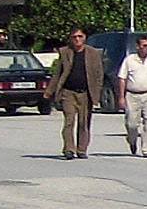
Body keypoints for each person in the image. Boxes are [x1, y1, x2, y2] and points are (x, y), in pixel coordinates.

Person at [45, 27, 106, 160]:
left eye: (80, 36)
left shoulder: (93, 53)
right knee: (69, 121)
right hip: (68, 92)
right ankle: (69, 149)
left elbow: (99, 74)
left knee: (84, 122)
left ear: (85, 38)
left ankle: (82, 149)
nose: (77, 40)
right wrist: (50, 91)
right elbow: (58, 73)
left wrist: (97, 91)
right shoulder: (65, 52)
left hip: (85, 93)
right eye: (74, 37)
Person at [117, 36, 147, 157]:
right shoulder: (129, 60)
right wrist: (121, 97)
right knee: (131, 124)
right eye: (144, 46)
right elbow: (122, 78)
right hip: (132, 95)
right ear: (138, 46)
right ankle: (132, 141)